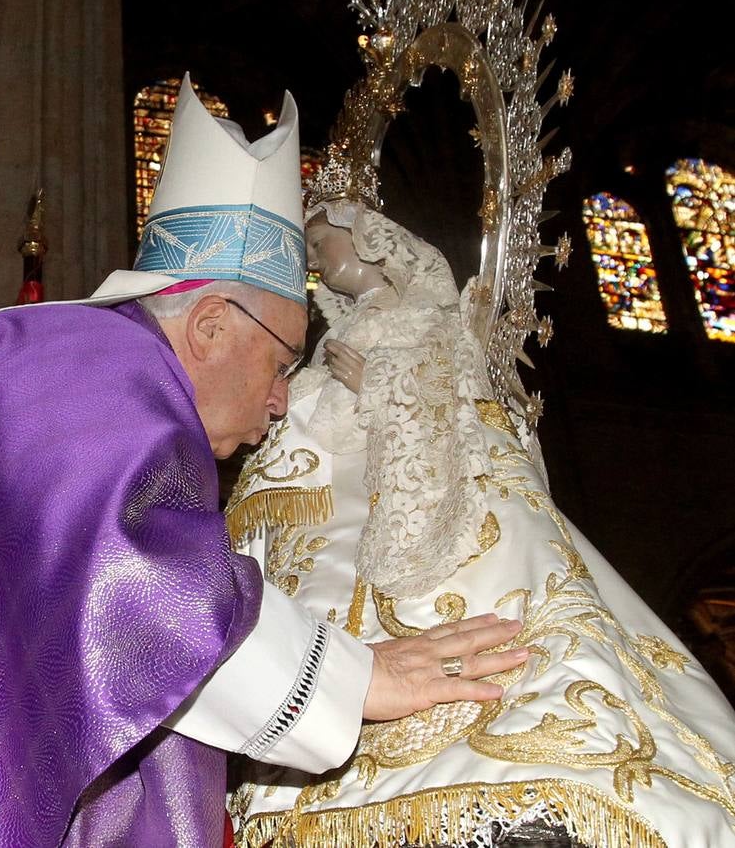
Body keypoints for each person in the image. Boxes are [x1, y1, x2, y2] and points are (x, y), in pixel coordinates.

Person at [0, 74, 528, 847]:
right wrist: (356, 679)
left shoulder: (40, 360)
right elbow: (140, 589)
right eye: (284, 360)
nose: (282, 399)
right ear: (213, 324)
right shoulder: (106, 375)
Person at [226, 195, 735, 847]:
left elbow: (460, 394)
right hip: (336, 511)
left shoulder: (421, 313)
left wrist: (378, 383)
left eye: (324, 246)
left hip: (414, 499)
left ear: (373, 246)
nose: (317, 261)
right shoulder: (337, 332)